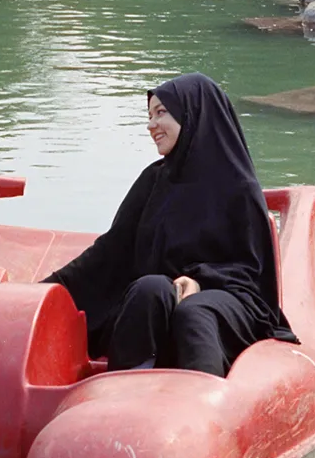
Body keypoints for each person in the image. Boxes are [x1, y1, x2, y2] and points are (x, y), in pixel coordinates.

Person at [44, 74, 295, 376]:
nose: (151, 125)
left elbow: (251, 271)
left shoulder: (237, 187)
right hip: (159, 299)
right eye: (149, 115)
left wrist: (200, 282)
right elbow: (110, 252)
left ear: (192, 114)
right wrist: (45, 293)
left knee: (194, 313)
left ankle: (204, 406)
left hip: (228, 297)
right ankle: (123, 391)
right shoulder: (153, 181)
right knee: (149, 289)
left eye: (161, 112)